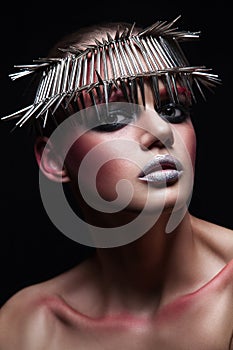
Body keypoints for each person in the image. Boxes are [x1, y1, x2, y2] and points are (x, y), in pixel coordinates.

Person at [0, 15, 232, 349]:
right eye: (114, 116)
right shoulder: (30, 326)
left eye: (172, 109)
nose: (163, 132)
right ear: (54, 158)